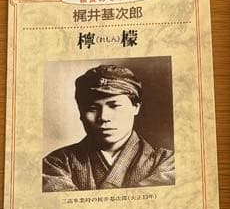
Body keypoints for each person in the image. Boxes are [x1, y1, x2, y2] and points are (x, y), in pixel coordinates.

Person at [42, 64, 175, 192]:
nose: (104, 117)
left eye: (114, 106)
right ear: (81, 112)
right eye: (92, 108)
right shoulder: (57, 163)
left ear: (136, 107)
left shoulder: (167, 162)